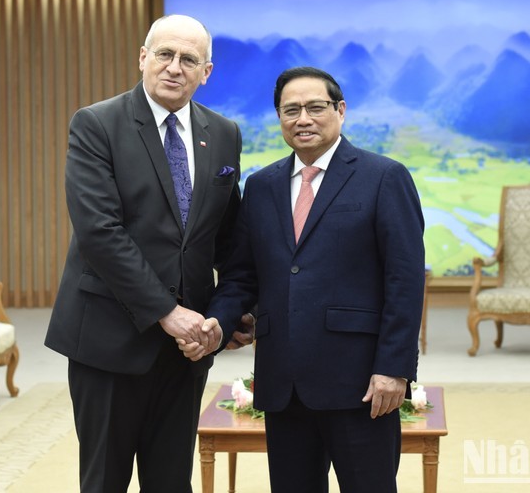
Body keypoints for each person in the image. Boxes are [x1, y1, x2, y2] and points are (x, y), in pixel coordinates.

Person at [180, 66, 426, 493]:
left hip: (362, 386)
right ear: (279, 118)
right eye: (290, 110)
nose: (303, 119)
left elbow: (404, 281)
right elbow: (242, 274)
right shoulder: (261, 186)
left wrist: (394, 369)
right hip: (283, 385)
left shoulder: (384, 177)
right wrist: (217, 323)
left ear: (341, 110)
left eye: (316, 107)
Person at [44, 14, 242, 492]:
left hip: (186, 350)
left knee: (172, 480)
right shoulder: (97, 124)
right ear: (143, 58)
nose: (175, 67)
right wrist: (167, 312)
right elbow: (101, 233)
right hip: (109, 338)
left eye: (188, 59)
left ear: (206, 71)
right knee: (105, 480)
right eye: (164, 55)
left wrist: (224, 317)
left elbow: (228, 238)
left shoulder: (224, 134)